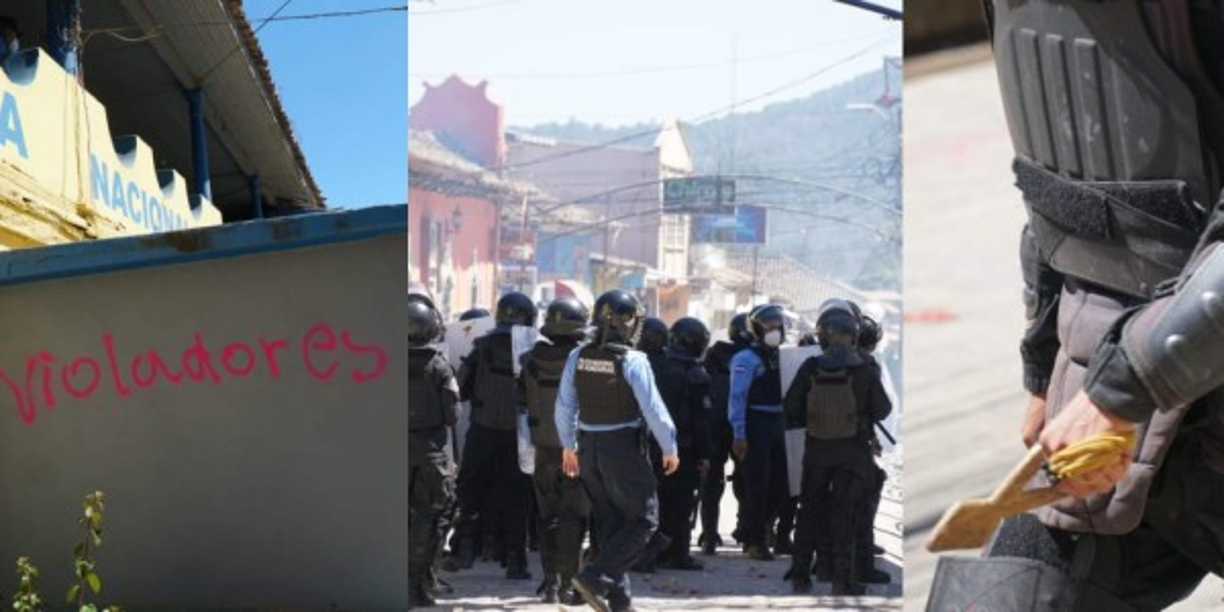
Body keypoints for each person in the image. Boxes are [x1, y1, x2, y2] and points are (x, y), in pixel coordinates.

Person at [926, 1, 1224, 608]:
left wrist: (1121, 393)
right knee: (1011, 588)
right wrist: (1043, 368)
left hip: (1141, 377)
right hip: (1119, 387)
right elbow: (1064, 178)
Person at [557, 289, 679, 612]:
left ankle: (620, 602)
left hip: (588, 449)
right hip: (621, 449)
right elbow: (653, 410)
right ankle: (593, 579)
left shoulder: (577, 355)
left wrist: (569, 447)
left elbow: (564, 406)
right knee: (645, 520)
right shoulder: (633, 360)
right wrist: (670, 447)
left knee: (612, 523)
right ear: (626, 323)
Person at [783, 299, 891, 596]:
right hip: (853, 455)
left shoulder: (810, 366)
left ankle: (801, 577)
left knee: (808, 514)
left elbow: (790, 407)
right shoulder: (865, 367)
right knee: (846, 516)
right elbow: (883, 409)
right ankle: (843, 581)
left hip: (817, 452)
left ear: (821, 336)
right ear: (855, 336)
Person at [448, 292, 537, 580]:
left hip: (482, 430)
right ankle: (516, 561)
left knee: (470, 492)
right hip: (519, 434)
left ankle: (463, 552)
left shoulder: (481, 346)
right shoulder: (533, 351)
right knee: (517, 497)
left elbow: (461, 389)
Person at [520, 297, 592, 604]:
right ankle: (568, 583)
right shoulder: (585, 360)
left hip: (543, 450)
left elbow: (520, 402)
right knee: (573, 518)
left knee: (547, 516)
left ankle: (549, 584)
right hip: (575, 451)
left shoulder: (529, 361)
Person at [638, 317, 713, 572]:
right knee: (681, 504)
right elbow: (700, 420)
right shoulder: (695, 374)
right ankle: (677, 554)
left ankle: (652, 553)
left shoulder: (655, 365)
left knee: (656, 500)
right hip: (684, 448)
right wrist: (705, 454)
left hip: (653, 444)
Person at [408, 298, 460, 607]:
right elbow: (452, 416)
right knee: (431, 519)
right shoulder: (439, 365)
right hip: (431, 456)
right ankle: (418, 584)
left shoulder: (382, 361)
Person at [728, 304, 790, 561]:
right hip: (756, 424)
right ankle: (754, 540)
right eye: (769, 325)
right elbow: (737, 398)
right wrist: (739, 433)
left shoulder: (782, 356)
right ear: (756, 329)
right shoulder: (745, 359)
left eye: (778, 324)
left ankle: (758, 530)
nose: (774, 329)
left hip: (778, 423)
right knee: (757, 486)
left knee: (780, 485)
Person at [698, 313, 751, 555]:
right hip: (743, 426)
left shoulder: (712, 355)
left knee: (712, 481)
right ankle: (746, 529)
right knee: (748, 479)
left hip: (715, 425)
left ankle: (709, 534)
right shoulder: (755, 358)